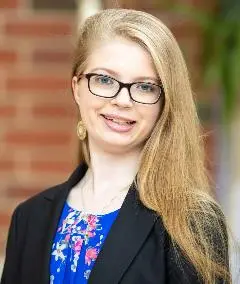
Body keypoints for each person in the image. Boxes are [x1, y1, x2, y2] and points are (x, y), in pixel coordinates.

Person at [1, 8, 231, 284]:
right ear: (76, 88)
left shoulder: (192, 222)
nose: (123, 100)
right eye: (105, 80)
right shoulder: (29, 218)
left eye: (145, 86)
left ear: (164, 102)